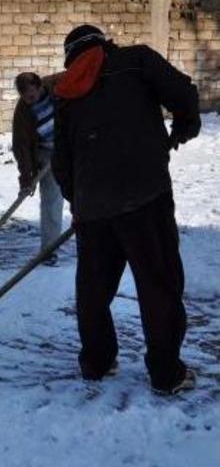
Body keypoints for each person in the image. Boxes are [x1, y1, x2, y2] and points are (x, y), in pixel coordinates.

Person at [52, 25, 201, 396]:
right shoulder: (136, 60)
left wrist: (80, 201)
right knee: (159, 285)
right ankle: (167, 374)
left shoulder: (67, 94)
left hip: (93, 209)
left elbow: (60, 163)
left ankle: (97, 363)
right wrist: (185, 124)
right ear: (104, 43)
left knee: (94, 290)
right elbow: (184, 94)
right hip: (145, 197)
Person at [12, 72, 64, 266]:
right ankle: (49, 251)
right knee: (52, 202)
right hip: (46, 153)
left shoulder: (59, 88)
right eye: (25, 98)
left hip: (70, 147)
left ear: (40, 87)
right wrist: (26, 177)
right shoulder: (23, 110)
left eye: (32, 97)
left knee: (85, 195)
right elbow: (21, 145)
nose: (29, 102)